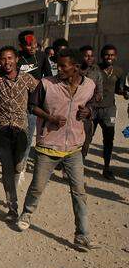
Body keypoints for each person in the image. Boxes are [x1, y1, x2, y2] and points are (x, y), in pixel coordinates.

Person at [17, 49, 98, 251]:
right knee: (37, 186)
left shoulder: (89, 86)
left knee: (79, 192)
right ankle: (26, 213)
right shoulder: (46, 84)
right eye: (57, 65)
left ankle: (82, 234)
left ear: (76, 68)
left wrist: (89, 113)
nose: (58, 69)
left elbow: (92, 106)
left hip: (74, 148)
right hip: (48, 146)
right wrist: (50, 118)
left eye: (63, 66)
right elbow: (32, 106)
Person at [0, 20, 38, 222]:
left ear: (16, 60)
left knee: (17, 167)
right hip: (2, 129)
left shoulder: (26, 78)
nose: (6, 62)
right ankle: (12, 206)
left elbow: (43, 92)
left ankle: (15, 187)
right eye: (3, 59)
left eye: (10, 58)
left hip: (21, 130)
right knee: (6, 168)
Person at [16, 30, 53, 187]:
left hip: (32, 105)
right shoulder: (16, 57)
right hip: (16, 103)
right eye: (29, 44)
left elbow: (49, 78)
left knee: (28, 136)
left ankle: (21, 167)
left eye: (35, 44)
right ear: (21, 45)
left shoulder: (42, 57)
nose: (32, 47)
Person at [94, 44, 125, 180]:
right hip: (93, 108)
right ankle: (77, 168)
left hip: (109, 109)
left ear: (116, 56)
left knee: (109, 139)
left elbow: (119, 89)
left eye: (112, 55)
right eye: (107, 54)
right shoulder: (95, 69)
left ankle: (106, 168)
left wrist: (125, 93)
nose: (109, 57)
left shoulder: (119, 71)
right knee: (86, 138)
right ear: (102, 56)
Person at [79, 45, 103, 159]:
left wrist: (89, 106)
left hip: (88, 112)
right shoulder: (74, 69)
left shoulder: (96, 72)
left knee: (86, 139)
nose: (89, 58)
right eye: (86, 56)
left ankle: (80, 161)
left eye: (91, 56)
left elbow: (99, 93)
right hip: (74, 109)